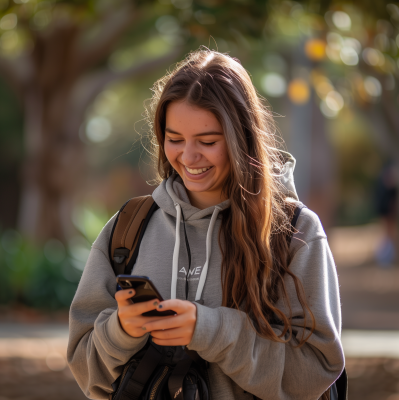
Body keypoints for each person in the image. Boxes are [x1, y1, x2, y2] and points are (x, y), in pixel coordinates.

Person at [67, 49, 345, 400]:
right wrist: (122, 330)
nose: (188, 156)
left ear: (242, 137)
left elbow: (315, 370)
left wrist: (210, 330)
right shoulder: (127, 227)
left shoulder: (294, 232)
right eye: (175, 139)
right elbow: (83, 365)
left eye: (208, 141)